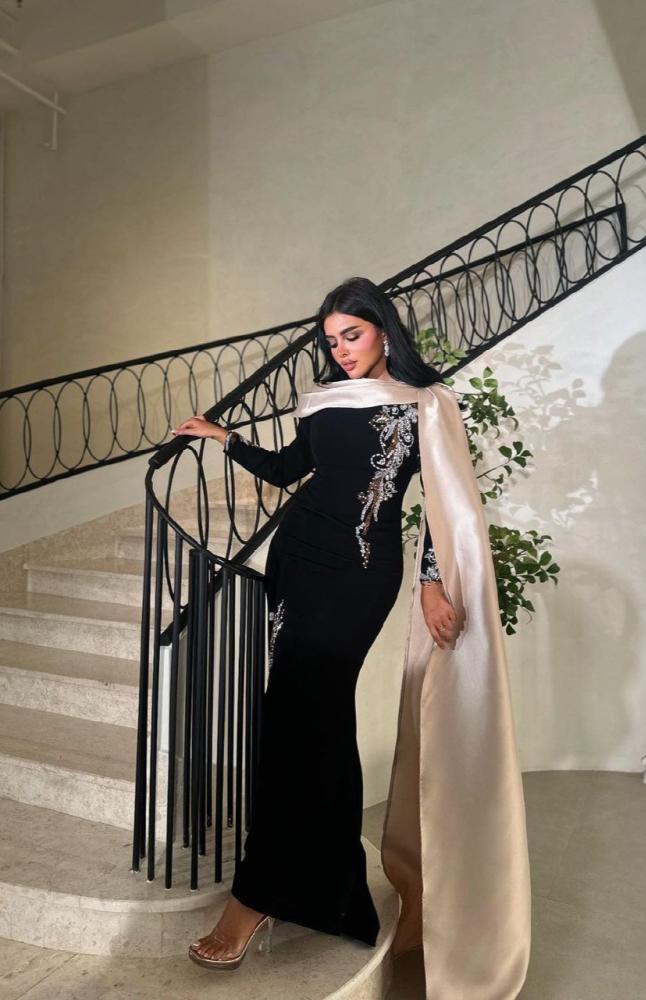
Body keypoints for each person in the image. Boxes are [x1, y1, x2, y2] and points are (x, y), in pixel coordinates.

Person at [174, 276, 531, 998]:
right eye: (331, 339)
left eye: (352, 335)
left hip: (359, 573)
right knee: (305, 719)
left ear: (383, 332)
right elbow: (289, 470)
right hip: (297, 563)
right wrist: (226, 437)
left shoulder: (424, 404)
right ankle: (323, 885)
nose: (340, 350)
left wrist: (432, 582)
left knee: (310, 713)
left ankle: (261, 895)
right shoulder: (325, 400)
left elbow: (446, 502)